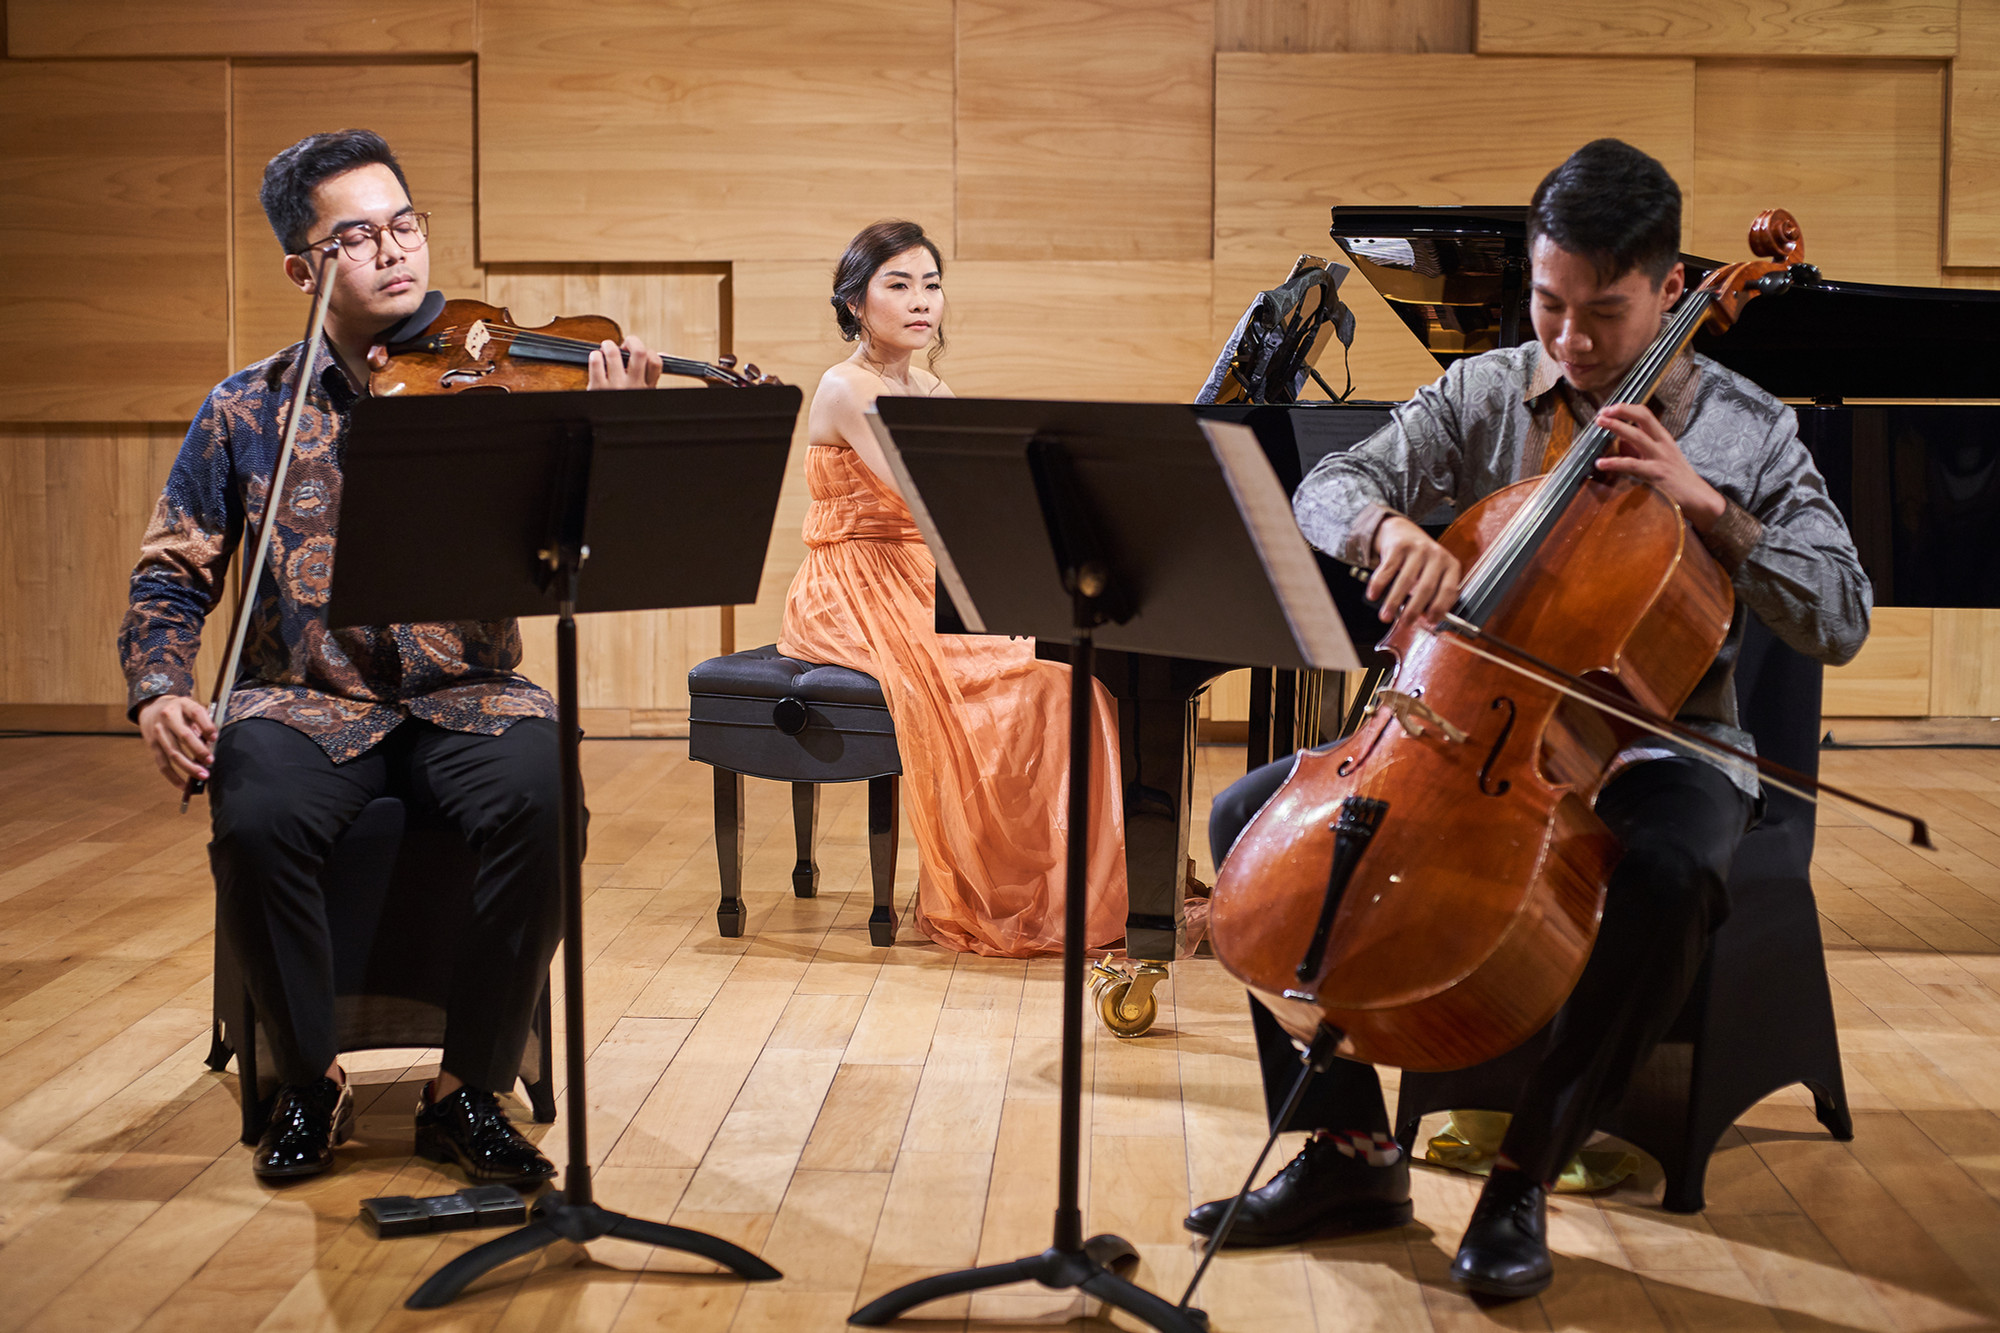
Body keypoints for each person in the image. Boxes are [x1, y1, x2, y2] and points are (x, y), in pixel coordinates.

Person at [1184, 140, 1870, 1298]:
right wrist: (1383, 531)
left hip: (1657, 741)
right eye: (1548, 305)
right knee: (1251, 824)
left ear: (1666, 289)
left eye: (1601, 313)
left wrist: (1707, 510)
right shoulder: (1488, 389)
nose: (1569, 340)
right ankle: (1350, 1150)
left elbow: (1840, 612)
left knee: (1664, 871)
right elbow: (1329, 485)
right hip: (1469, 726)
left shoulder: (1747, 431)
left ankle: (1523, 1173)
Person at [120, 130, 659, 1183]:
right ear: (302, 268)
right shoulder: (246, 407)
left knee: (547, 801)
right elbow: (172, 569)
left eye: (403, 224)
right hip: (304, 701)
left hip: (473, 692)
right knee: (257, 813)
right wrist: (157, 691)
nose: (392, 250)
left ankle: (468, 1087)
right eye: (356, 235)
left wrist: (614, 427)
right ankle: (306, 1082)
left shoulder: (498, 383)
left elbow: (593, 546)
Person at [777, 219, 1129, 957]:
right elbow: (933, 493)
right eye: (898, 285)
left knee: (1074, 684)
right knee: (1029, 690)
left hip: (921, 573)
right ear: (853, 304)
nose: (920, 302)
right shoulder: (846, 386)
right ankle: (1005, 886)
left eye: (931, 285)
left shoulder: (932, 385)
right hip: (854, 586)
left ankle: (1056, 881)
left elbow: (970, 505)